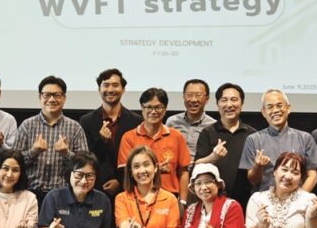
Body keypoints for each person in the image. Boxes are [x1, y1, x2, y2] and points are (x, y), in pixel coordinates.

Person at [14, 76, 88, 199]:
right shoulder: (27, 125)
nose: (52, 99)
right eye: (47, 95)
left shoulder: (75, 128)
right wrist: (34, 152)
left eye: (57, 95)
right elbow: (14, 163)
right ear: (40, 97)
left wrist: (66, 153)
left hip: (63, 195)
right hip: (29, 193)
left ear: (64, 98)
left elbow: (85, 166)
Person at [118, 88, 192, 204]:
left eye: (158, 107)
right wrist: (156, 169)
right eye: (149, 107)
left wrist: (182, 201)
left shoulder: (176, 136)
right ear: (142, 108)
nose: (153, 111)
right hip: (138, 199)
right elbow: (126, 172)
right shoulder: (129, 137)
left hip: (170, 198)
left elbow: (183, 172)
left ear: (165, 109)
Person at [240, 89, 317, 193]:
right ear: (263, 112)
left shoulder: (305, 138)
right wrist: (258, 166)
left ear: (288, 108)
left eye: (279, 105)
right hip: (264, 199)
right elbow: (253, 181)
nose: (275, 110)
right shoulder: (253, 139)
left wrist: (298, 199)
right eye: (270, 107)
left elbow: (312, 177)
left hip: (297, 199)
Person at [78, 68, 140, 198]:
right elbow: (85, 158)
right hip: (94, 189)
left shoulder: (136, 121)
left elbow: (137, 157)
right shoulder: (86, 121)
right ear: (99, 89)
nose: (110, 90)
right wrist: (102, 141)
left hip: (128, 189)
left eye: (115, 85)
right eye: (106, 85)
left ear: (123, 89)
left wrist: (120, 182)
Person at [194, 82, 256, 209]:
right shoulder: (208, 132)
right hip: (213, 200)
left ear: (242, 103)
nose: (229, 105)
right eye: (224, 100)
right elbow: (196, 165)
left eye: (234, 100)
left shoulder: (252, 135)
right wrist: (213, 157)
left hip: (245, 201)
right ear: (217, 104)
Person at [166, 79, 216, 157]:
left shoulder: (213, 126)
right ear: (183, 97)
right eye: (189, 95)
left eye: (198, 95)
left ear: (207, 99)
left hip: (201, 164)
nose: (193, 100)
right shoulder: (172, 121)